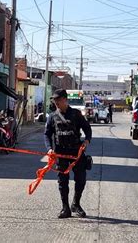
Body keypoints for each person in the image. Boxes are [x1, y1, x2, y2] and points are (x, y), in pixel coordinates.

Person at [45, 89, 92, 219]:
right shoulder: (52, 117)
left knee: (81, 180)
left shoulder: (76, 114)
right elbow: (47, 134)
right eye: (55, 101)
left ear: (65, 100)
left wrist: (87, 140)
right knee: (62, 181)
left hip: (76, 153)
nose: (56, 104)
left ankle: (76, 204)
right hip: (61, 153)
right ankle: (65, 208)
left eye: (58, 101)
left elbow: (87, 128)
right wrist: (49, 148)